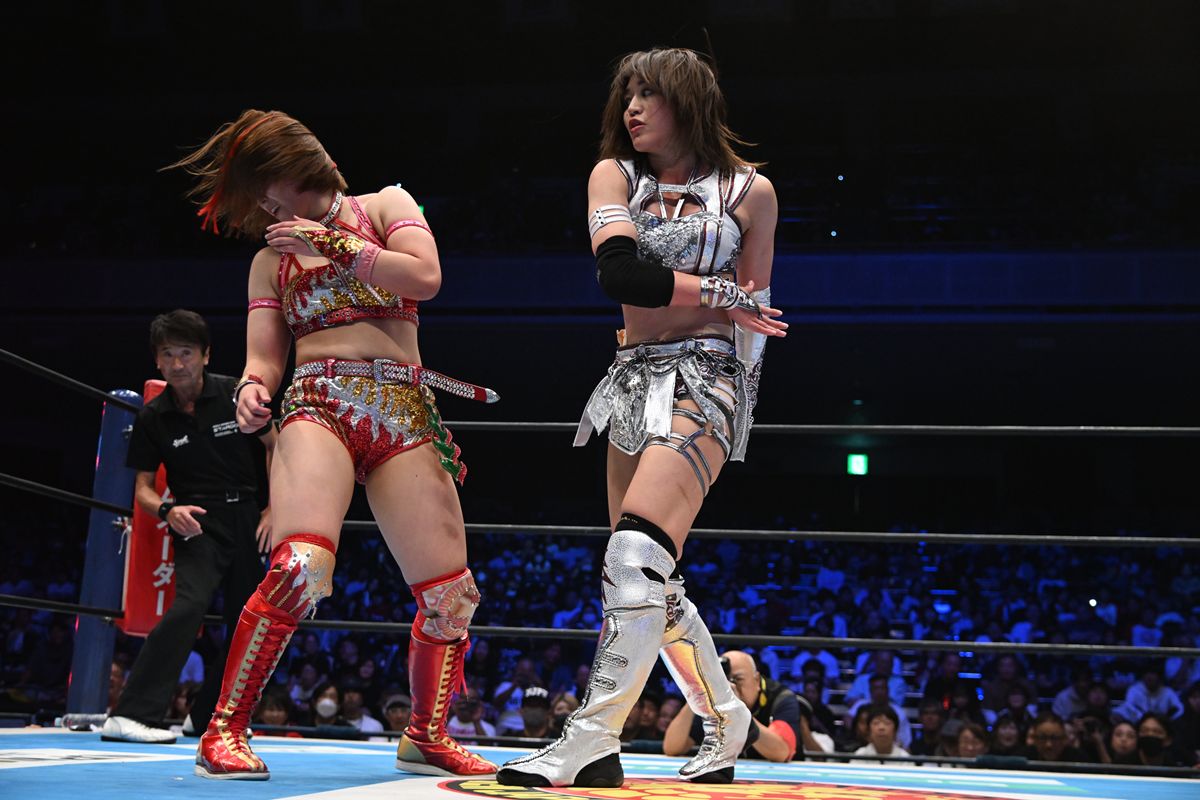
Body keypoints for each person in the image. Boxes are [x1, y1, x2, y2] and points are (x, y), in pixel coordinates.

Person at [169, 109, 498, 780]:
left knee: (451, 595)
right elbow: (265, 356)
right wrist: (252, 390)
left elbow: (424, 277)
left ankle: (426, 734)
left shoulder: (386, 206)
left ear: (298, 170)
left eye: (269, 193)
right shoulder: (270, 260)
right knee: (300, 567)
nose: (266, 210)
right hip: (318, 403)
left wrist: (331, 241)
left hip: (403, 410)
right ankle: (223, 730)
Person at [497, 47, 786, 788]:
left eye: (648, 94)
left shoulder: (751, 192)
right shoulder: (615, 177)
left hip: (709, 379)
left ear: (687, 102)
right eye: (627, 94)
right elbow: (618, 273)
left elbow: (756, 316)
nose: (631, 107)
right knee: (646, 579)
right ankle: (727, 719)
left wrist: (738, 414)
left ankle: (592, 738)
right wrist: (717, 292)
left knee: (634, 558)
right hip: (631, 378)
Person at [101, 310, 273, 745]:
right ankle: (131, 713)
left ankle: (210, 715)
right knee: (188, 607)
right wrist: (166, 511)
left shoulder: (234, 393)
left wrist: (275, 508)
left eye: (186, 353)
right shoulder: (153, 416)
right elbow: (142, 489)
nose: (177, 364)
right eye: (168, 355)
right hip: (194, 521)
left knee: (249, 621)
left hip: (248, 517)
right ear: (157, 360)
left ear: (205, 355)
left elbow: (276, 444)